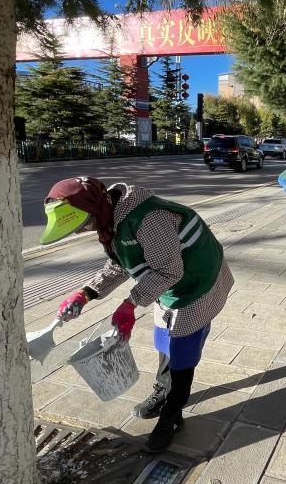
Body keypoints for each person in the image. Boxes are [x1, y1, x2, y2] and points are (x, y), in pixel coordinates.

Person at [39, 177, 233, 451]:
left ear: (94, 207)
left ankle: (172, 414)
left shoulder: (148, 219)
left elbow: (170, 271)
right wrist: (86, 293)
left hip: (196, 281)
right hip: (169, 281)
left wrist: (130, 303)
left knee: (183, 350)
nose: (80, 230)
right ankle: (163, 389)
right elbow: (120, 264)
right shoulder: (111, 219)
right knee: (164, 340)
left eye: (83, 223)